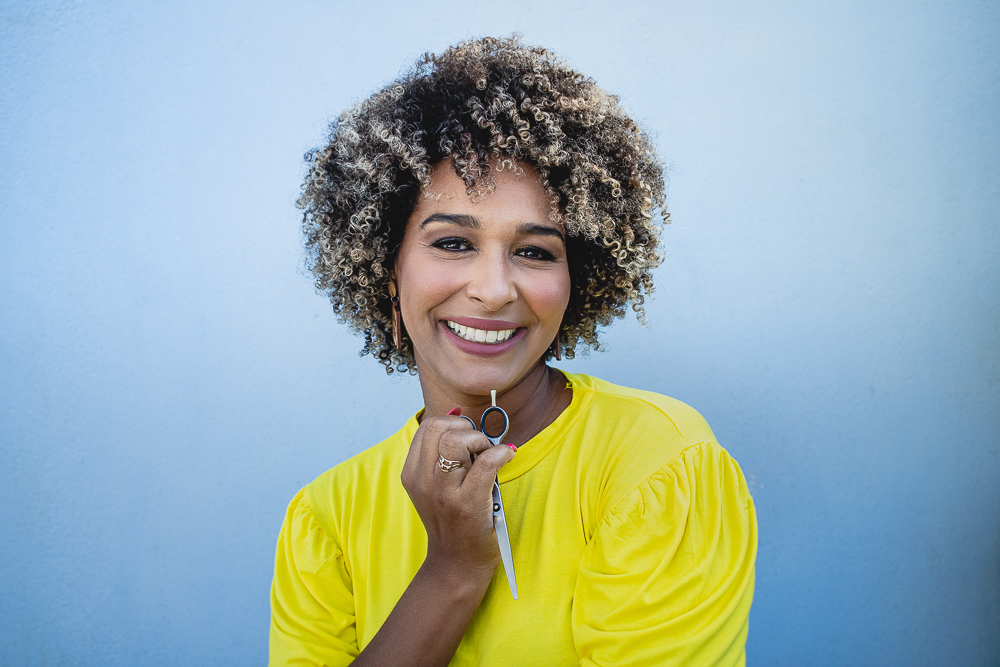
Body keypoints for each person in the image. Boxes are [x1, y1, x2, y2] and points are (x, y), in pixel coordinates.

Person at [269, 36, 756, 666]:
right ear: (386, 269)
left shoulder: (657, 466)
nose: (495, 289)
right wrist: (451, 573)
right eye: (451, 243)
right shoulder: (326, 518)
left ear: (575, 282)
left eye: (534, 251)